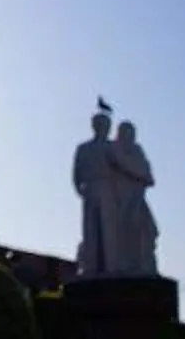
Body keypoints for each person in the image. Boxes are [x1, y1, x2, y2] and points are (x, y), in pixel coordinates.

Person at [71, 111, 120, 278]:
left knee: (109, 227)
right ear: (94, 126)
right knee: (90, 229)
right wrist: (80, 189)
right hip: (90, 187)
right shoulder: (83, 148)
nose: (103, 128)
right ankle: (90, 266)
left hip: (108, 188)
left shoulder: (114, 147)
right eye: (100, 125)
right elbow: (76, 172)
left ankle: (111, 265)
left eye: (106, 125)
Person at [107, 120, 159, 276]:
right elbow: (124, 166)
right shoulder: (113, 149)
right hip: (120, 200)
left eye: (132, 133)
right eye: (127, 132)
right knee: (125, 232)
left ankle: (144, 265)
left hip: (137, 199)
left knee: (149, 230)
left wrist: (136, 170)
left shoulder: (137, 150)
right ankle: (126, 264)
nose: (130, 136)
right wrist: (136, 170)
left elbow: (149, 176)